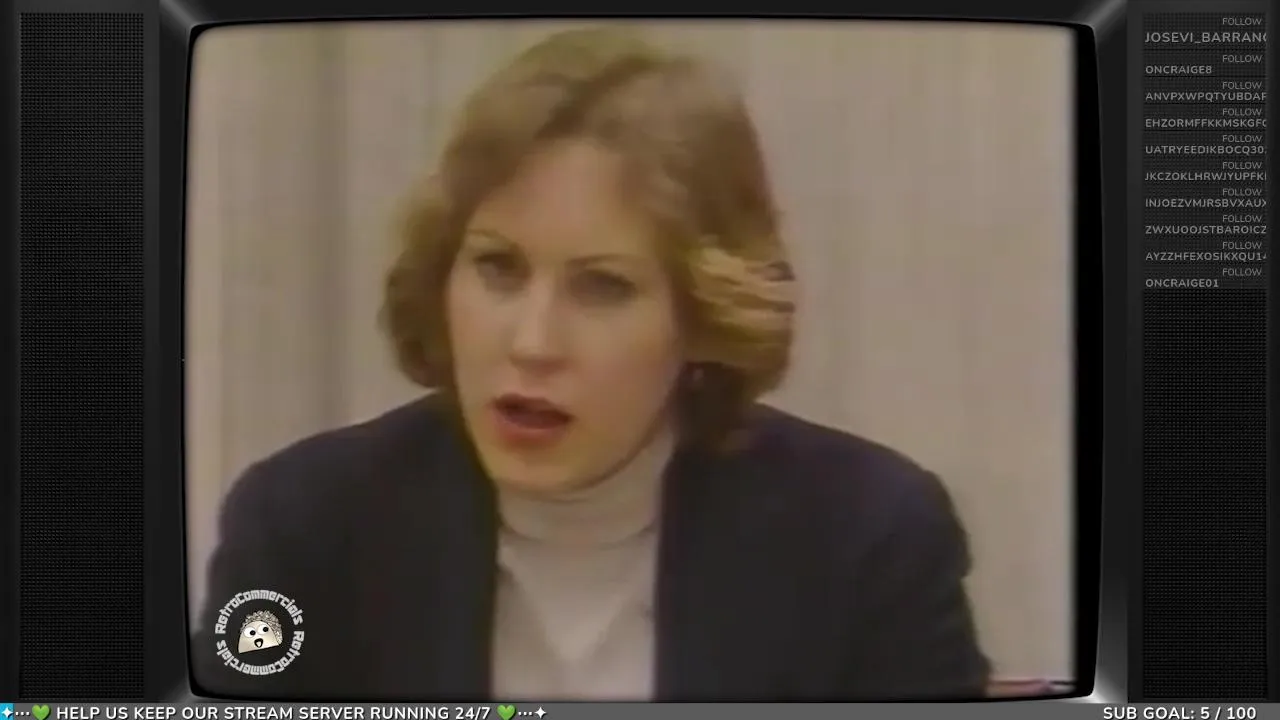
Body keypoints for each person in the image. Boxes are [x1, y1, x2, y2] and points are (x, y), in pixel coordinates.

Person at [192, 26, 991, 701]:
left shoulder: (870, 542)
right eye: (498, 268)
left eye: (603, 286)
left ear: (703, 317)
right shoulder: (305, 528)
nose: (533, 342)